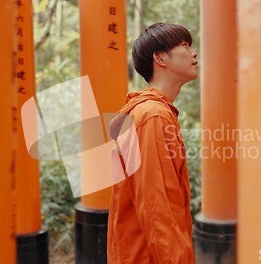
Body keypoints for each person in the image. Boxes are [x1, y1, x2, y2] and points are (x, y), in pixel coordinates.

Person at [107, 22, 199, 264]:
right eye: (184, 45)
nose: (193, 53)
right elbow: (157, 207)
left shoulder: (153, 113)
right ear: (160, 58)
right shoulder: (152, 116)